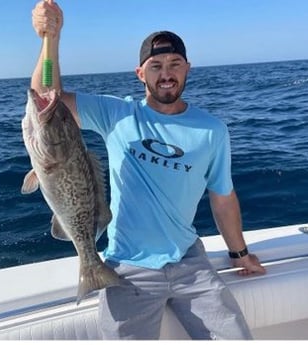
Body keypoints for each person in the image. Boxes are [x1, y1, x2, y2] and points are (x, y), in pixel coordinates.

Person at [30, 1, 266, 340]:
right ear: (140, 74)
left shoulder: (213, 130)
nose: (166, 73)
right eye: (155, 65)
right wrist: (50, 38)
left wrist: (240, 254)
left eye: (174, 64)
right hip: (127, 268)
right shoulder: (116, 114)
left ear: (188, 69)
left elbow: (223, 199)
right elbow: (45, 99)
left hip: (190, 263)